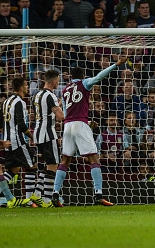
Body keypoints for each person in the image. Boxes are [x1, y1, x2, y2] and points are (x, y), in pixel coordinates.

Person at [52, 55, 128, 207]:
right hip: (80, 124)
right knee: (94, 159)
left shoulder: (66, 89)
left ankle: (55, 193)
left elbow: (65, 113)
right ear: (81, 76)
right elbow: (99, 77)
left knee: (65, 161)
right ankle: (98, 194)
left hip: (68, 126)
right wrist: (115, 65)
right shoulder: (84, 83)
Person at [0, 77, 38, 207]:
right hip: (18, 141)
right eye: (26, 85)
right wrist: (32, 136)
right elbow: (21, 124)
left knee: (13, 170)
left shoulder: (6, 101)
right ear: (21, 87)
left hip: (7, 141)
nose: (28, 87)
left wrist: (5, 132)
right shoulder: (20, 102)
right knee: (32, 166)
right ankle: (29, 201)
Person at [32, 70, 65, 207]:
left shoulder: (37, 95)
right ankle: (46, 200)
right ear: (53, 81)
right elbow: (60, 116)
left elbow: (46, 112)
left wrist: (59, 104)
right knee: (53, 166)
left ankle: (37, 193)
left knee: (48, 165)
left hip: (38, 134)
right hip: (48, 133)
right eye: (57, 80)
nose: (58, 82)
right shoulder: (50, 95)